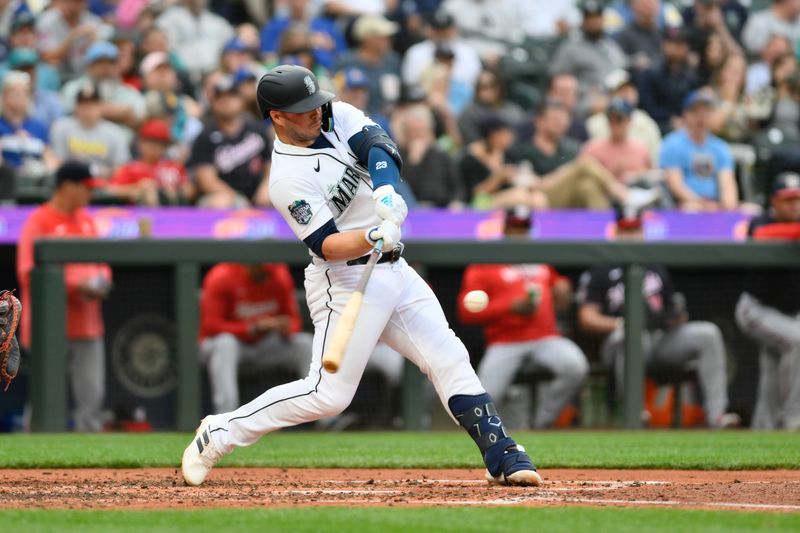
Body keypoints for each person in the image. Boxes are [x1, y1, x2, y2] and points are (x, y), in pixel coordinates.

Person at [181, 64, 542, 488]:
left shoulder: (333, 114)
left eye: (315, 102)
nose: (316, 112)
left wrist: (386, 189)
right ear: (277, 116)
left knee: (448, 357)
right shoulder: (285, 179)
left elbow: (379, 145)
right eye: (302, 109)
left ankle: (502, 451)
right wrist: (371, 233)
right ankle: (220, 432)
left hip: (395, 269)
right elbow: (326, 244)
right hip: (345, 281)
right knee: (327, 394)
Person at [576, 206, 740, 429]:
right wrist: (621, 324)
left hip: (660, 338)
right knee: (633, 335)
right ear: (615, 232)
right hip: (619, 341)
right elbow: (587, 317)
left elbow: (671, 307)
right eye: (626, 230)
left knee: (708, 333)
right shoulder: (601, 269)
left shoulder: (655, 266)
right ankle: (636, 412)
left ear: (643, 232)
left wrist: (674, 317)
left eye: (635, 230)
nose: (631, 236)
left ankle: (717, 415)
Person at [458, 207, 589, 429]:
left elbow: (557, 284)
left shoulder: (537, 256)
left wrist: (562, 286)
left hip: (546, 338)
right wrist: (511, 307)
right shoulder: (485, 261)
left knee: (576, 366)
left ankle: (541, 424)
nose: (519, 233)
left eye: (524, 228)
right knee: (485, 397)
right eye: (515, 227)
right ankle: (491, 437)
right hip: (505, 342)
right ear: (505, 228)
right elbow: (466, 312)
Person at [17, 160, 112, 431]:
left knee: (92, 401)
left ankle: (93, 472)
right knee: (45, 403)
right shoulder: (38, 220)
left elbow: (103, 263)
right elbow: (27, 272)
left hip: (87, 323)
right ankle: (32, 466)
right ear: (67, 186)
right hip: (49, 328)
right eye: (86, 188)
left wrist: (102, 281)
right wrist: (76, 283)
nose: (90, 194)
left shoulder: (86, 220)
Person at [200, 262, 314, 414]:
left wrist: (283, 327)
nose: (267, 275)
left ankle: (323, 415)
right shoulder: (222, 275)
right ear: (250, 264)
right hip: (228, 346)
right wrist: (250, 328)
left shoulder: (279, 275)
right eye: (264, 270)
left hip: (265, 345)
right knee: (225, 343)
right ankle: (225, 417)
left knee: (304, 343)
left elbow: (294, 322)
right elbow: (211, 325)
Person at [735, 172, 800, 430]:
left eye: (798, 199)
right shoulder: (760, 222)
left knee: (773, 365)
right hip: (755, 309)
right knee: (797, 342)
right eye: (787, 199)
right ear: (774, 202)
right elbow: (763, 234)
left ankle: (764, 428)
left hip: (787, 313)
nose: (794, 205)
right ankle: (794, 418)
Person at [509, 99, 658, 209]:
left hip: (576, 198)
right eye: (555, 119)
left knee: (587, 186)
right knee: (585, 163)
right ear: (540, 121)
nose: (561, 123)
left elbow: (652, 173)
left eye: (563, 119)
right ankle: (625, 196)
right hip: (543, 196)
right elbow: (527, 183)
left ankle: (604, 234)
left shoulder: (570, 147)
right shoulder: (525, 150)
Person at [188, 75, 272, 208]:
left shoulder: (258, 130)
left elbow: (271, 167)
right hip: (227, 196)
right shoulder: (205, 137)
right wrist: (239, 201)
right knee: (221, 201)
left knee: (271, 193)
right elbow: (207, 181)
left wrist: (265, 188)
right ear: (213, 102)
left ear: (241, 100)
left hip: (257, 194)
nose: (226, 101)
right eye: (221, 97)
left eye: (232, 96)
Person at [659, 89, 739, 211]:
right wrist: (700, 203)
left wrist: (728, 206)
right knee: (691, 209)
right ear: (685, 114)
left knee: (753, 210)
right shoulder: (672, 144)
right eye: (695, 112)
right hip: (684, 204)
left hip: (715, 203)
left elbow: (727, 183)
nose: (701, 117)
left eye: (706, 112)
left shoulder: (720, 147)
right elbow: (675, 184)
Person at [458, 114, 547, 210]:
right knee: (519, 196)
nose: (511, 137)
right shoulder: (470, 158)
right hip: (479, 203)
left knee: (539, 198)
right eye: (506, 133)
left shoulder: (507, 154)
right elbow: (475, 194)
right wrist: (498, 178)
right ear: (494, 135)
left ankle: (540, 225)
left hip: (505, 196)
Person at [550, 0, 628, 108]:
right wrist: (581, 91)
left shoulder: (610, 45)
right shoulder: (571, 47)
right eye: (590, 18)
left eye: (597, 17)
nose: (594, 22)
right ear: (583, 21)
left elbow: (623, 68)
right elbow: (558, 80)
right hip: (586, 100)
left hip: (616, 96)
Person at [60, 41, 146, 136]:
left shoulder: (130, 92)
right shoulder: (73, 88)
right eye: (99, 62)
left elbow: (138, 119)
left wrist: (89, 110)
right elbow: (68, 111)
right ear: (89, 66)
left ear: (118, 66)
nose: (105, 67)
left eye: (110, 62)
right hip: (81, 145)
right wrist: (121, 113)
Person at [50, 82, 131, 181]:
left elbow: (121, 169)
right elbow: (56, 162)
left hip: (103, 186)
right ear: (76, 107)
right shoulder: (62, 127)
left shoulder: (115, 133)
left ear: (101, 107)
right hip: (71, 183)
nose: (87, 110)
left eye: (92, 105)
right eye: (83, 105)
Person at [110, 119, 194, 206]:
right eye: (151, 142)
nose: (155, 147)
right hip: (140, 213)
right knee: (149, 192)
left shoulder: (175, 166)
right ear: (141, 143)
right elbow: (113, 190)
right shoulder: (131, 168)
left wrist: (174, 191)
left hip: (173, 211)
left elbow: (189, 190)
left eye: (161, 143)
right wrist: (137, 188)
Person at [586, 69, 662, 164]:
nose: (626, 94)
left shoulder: (647, 122)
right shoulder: (593, 124)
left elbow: (655, 162)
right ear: (610, 94)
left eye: (629, 89)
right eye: (620, 90)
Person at [637, 26, 701, 134]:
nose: (677, 48)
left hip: (685, 123)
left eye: (681, 44)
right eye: (673, 43)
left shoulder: (691, 76)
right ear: (664, 45)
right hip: (655, 124)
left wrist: (686, 119)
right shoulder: (650, 72)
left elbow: (693, 103)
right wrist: (670, 118)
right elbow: (646, 106)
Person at [334, 14, 402, 116]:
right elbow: (337, 92)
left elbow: (395, 95)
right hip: (353, 116)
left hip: (386, 117)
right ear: (368, 38)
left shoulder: (392, 61)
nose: (388, 40)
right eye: (383, 37)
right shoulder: (346, 61)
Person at [581, 98, 653, 186]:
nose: (614, 124)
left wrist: (640, 175)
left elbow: (652, 175)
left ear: (629, 121)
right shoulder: (592, 149)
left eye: (619, 119)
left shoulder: (641, 148)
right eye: (610, 119)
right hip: (605, 196)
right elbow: (583, 182)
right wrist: (611, 173)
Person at [154, 0, 235, 79]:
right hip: (183, 76)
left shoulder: (217, 22)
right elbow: (163, 46)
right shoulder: (169, 19)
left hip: (214, 74)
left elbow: (231, 45)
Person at [260, 0, 347, 71]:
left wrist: (330, 45)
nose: (298, 2)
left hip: (322, 74)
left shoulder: (326, 26)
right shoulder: (274, 27)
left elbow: (341, 57)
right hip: (285, 73)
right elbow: (268, 59)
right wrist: (307, 42)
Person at [36, 0, 113, 79]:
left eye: (78, 2)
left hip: (86, 77)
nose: (74, 5)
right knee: (49, 66)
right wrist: (70, 39)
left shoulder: (92, 21)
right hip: (57, 76)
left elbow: (106, 55)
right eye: (71, 1)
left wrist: (94, 38)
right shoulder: (48, 20)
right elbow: (46, 56)